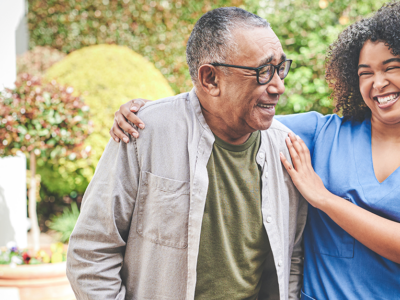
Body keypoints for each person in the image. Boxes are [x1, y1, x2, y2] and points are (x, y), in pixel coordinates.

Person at [110, 2, 400, 299]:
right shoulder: (322, 133)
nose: (378, 83)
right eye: (366, 73)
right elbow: (226, 113)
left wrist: (324, 198)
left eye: (392, 68)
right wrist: (146, 113)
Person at [67, 7, 307, 300]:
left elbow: (292, 255)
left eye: (281, 68)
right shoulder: (144, 131)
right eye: (263, 71)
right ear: (210, 79)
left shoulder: (286, 147)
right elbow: (91, 251)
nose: (279, 86)